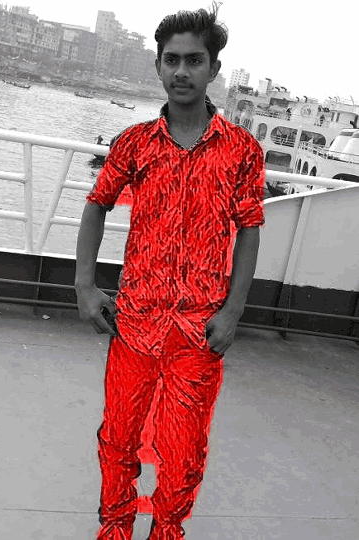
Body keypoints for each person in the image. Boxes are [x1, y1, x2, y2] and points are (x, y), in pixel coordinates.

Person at [75, 3, 265, 539]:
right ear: (158, 66)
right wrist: (85, 286)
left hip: (199, 331)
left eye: (194, 60)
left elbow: (249, 229)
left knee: (183, 452)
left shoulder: (241, 151)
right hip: (134, 323)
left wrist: (233, 311)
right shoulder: (135, 143)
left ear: (213, 69)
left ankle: (167, 531)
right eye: (172, 60)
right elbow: (97, 204)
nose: (182, 71)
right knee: (118, 438)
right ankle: (115, 526)